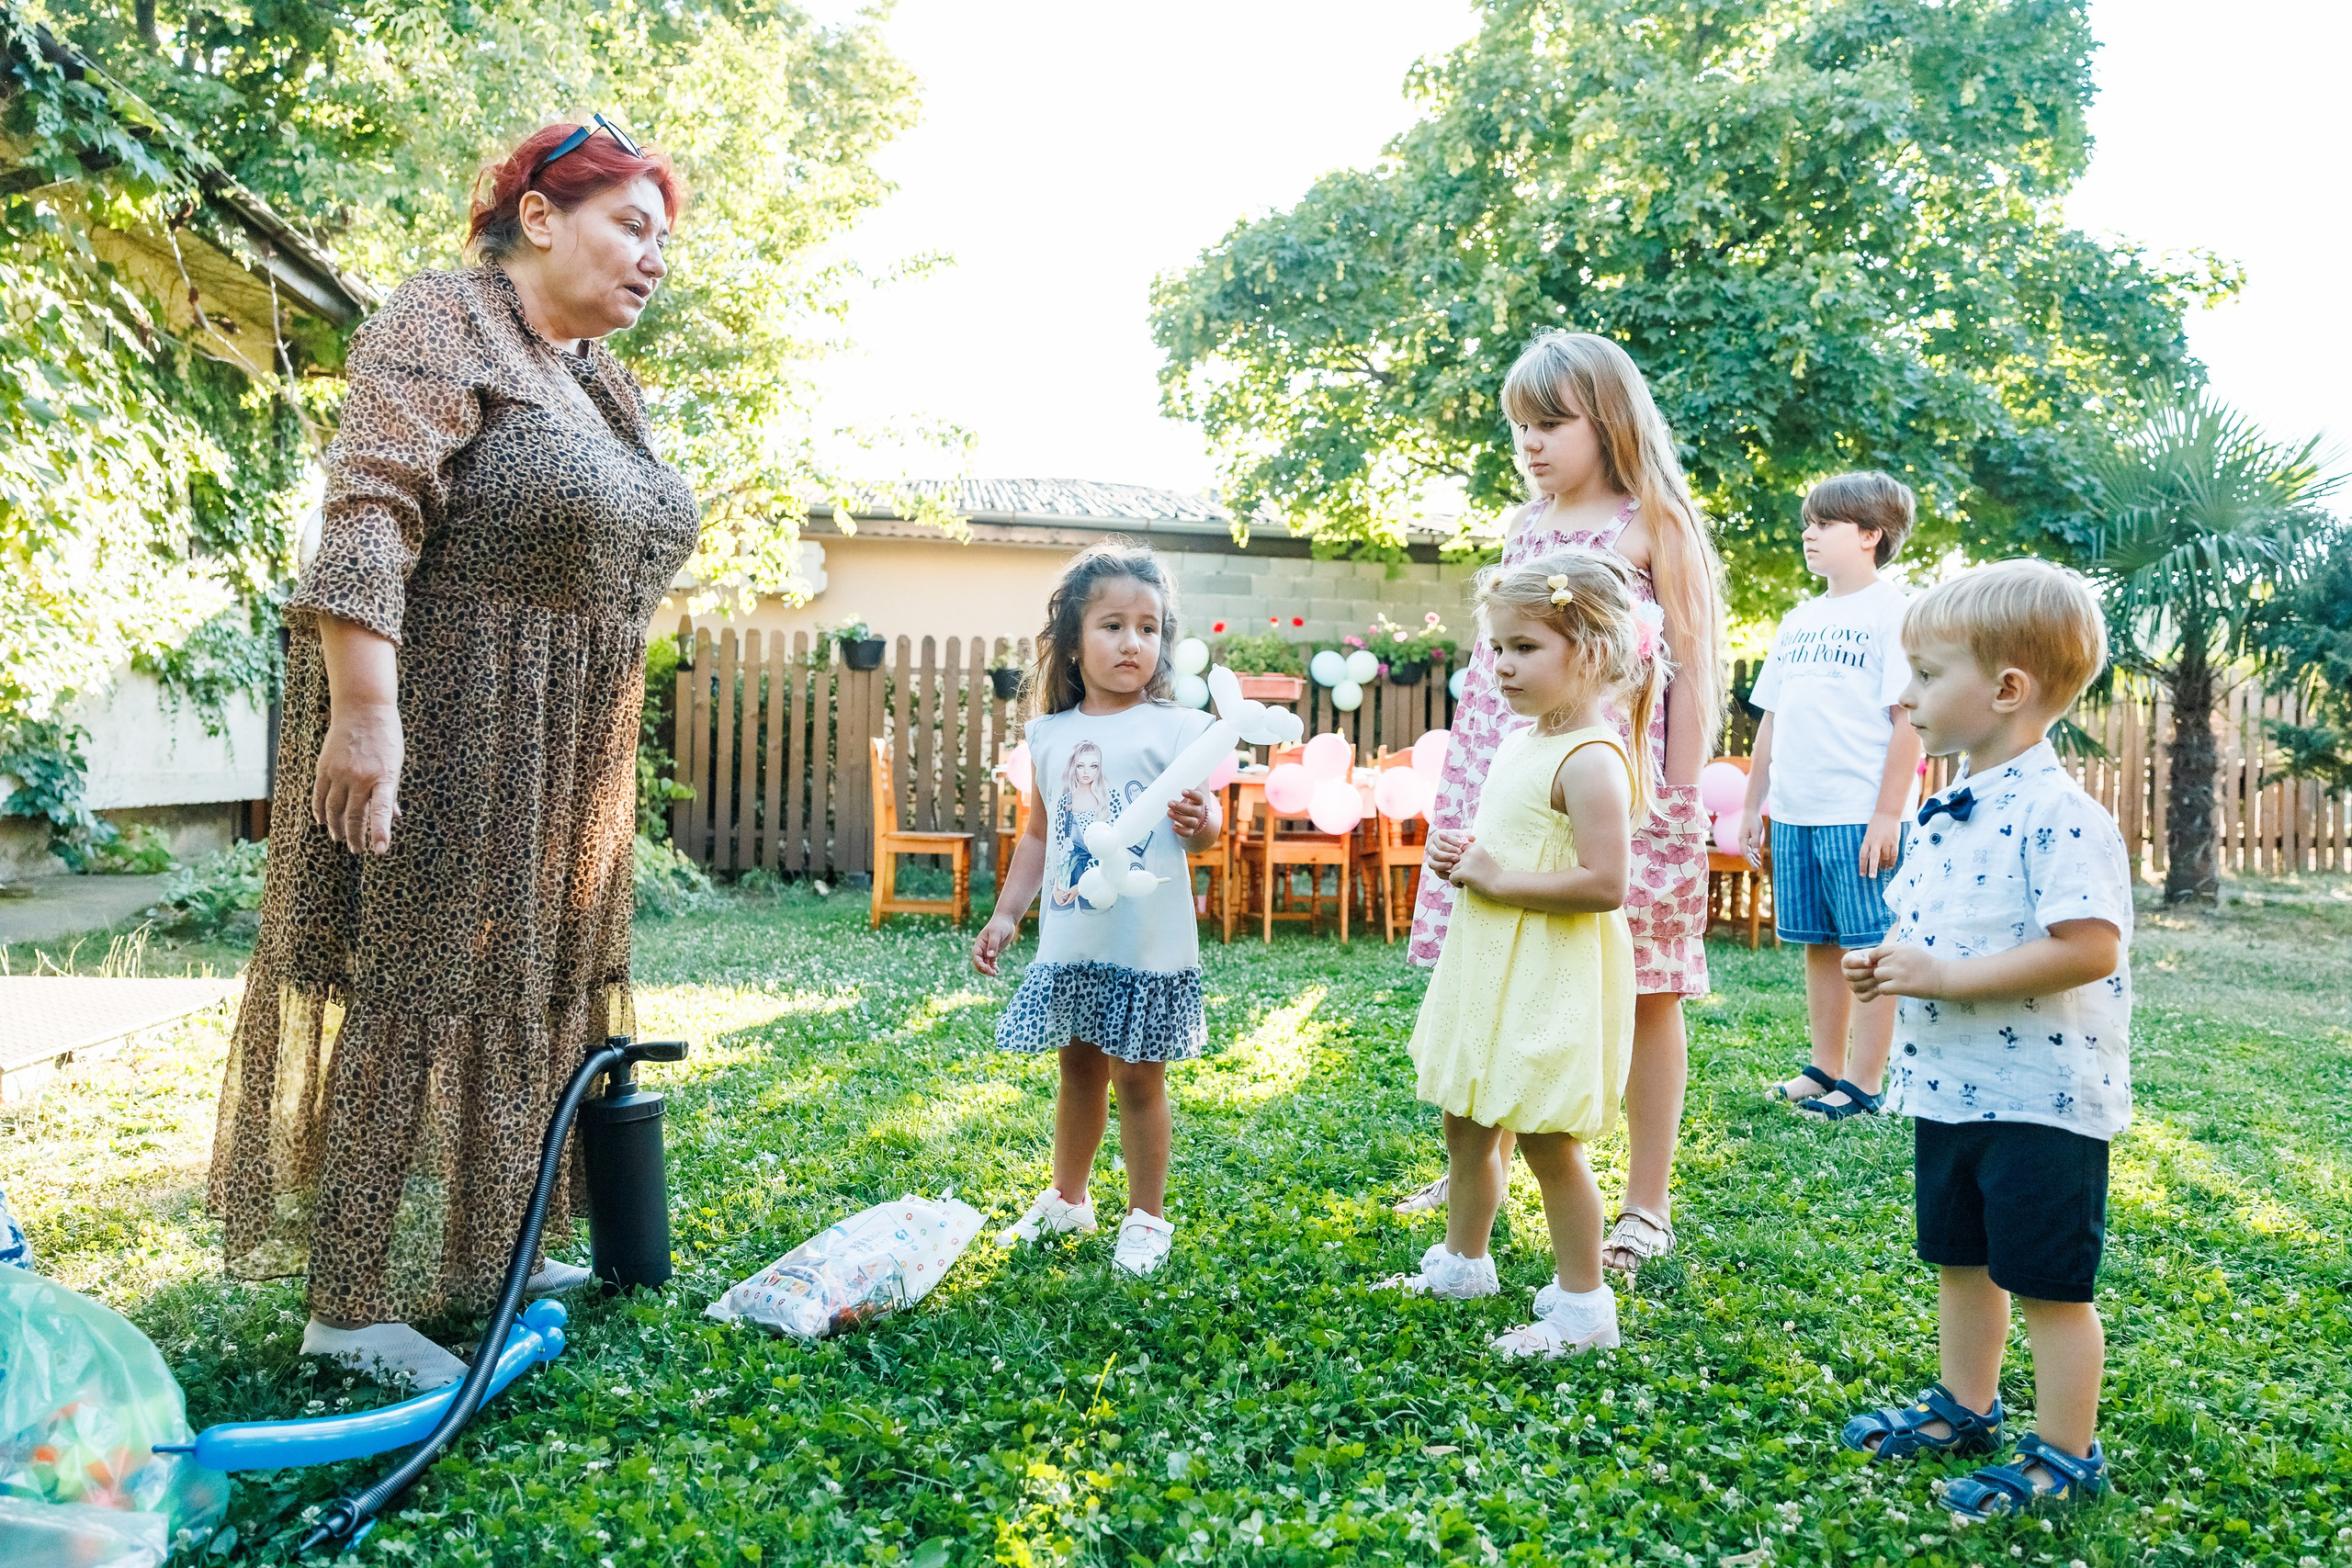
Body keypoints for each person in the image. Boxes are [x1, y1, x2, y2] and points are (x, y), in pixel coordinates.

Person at [207, 118, 699, 1390]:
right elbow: (369, 511)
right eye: (629, 225)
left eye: (663, 238)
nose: (654, 259)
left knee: (534, 985)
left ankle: (502, 1241)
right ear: (541, 214)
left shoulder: (598, 376)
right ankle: (351, 1300)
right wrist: (364, 711)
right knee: (420, 985)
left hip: (566, 744)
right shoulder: (444, 316)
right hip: (452, 708)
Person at [1401, 332, 1727, 1278]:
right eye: (1520, 427)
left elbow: (1693, 670)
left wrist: (1675, 792)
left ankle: (1645, 1206)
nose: (1532, 444)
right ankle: (1481, 1164)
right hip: (1504, 771)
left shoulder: (1653, 521)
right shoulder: (1527, 525)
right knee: (1505, 958)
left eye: (1551, 423)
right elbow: (1498, 659)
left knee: (1649, 988)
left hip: (1623, 782)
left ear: (1609, 420)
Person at [1836, 559, 2128, 1519]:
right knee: (1959, 1259)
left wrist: (1950, 977)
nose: (1906, 696)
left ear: (2005, 690)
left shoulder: (2062, 816)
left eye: (1925, 675)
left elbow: (2085, 947)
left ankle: (2063, 1453)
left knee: (2047, 1283)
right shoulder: (1940, 812)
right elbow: (1942, 934)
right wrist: (1893, 962)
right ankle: (1964, 1405)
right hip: (1948, 1085)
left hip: (2040, 1100)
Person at [1379, 548, 1663, 1358]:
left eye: (1525, 648)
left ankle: (1583, 1306)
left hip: (1548, 970)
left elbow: (1607, 882)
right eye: (1497, 647)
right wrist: (1471, 858)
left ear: (1594, 649)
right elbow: (1519, 845)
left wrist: (1499, 874)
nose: (1502, 665)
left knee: (1543, 1135)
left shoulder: (1592, 760)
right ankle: (1465, 1260)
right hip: (1492, 959)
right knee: (1466, 1117)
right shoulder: (1521, 739)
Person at [972, 542, 1223, 1279]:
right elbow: (1038, 836)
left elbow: (1207, 830)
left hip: (1146, 939)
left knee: (1140, 1078)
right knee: (1078, 1067)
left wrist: (1195, 820)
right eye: (1113, 625)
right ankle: (1069, 1196)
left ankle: (1146, 1216)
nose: (1132, 642)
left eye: (1149, 627)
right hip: (1074, 937)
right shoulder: (1049, 734)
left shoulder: (1179, 728)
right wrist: (1007, 914)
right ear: (1074, 645)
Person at [1739, 472, 1923, 1120]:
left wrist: (1887, 813)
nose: (1809, 533)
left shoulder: (1896, 611)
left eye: (1825, 523)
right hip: (1796, 811)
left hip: (1858, 813)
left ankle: (1866, 1082)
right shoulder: (1800, 617)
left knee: (1868, 944)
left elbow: (1910, 720)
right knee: (1819, 941)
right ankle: (1826, 1067)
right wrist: (1751, 803)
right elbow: (1771, 718)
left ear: (1871, 534)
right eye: (1808, 522)